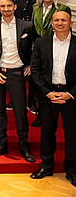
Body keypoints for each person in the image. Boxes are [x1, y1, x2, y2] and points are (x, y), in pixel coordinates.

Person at [0, 0, 35, 161]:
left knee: (20, 112)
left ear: (14, 7)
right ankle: (1, 144)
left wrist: (30, 65)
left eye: (9, 6)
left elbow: (37, 48)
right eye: (2, 6)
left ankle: (24, 146)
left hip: (17, 73)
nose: (6, 9)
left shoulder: (26, 26)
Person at [29, 10, 76, 184]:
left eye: (64, 20)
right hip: (47, 95)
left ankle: (72, 169)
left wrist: (69, 94)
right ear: (52, 23)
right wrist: (46, 92)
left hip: (70, 96)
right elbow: (35, 70)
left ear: (70, 23)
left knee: (72, 134)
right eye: (56, 20)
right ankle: (46, 166)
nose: (60, 23)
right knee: (47, 132)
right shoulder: (42, 43)